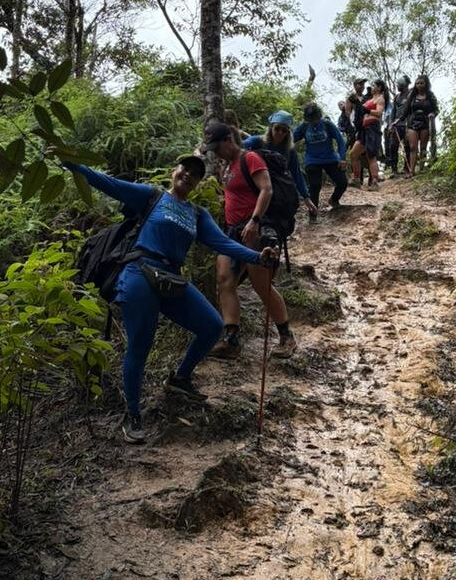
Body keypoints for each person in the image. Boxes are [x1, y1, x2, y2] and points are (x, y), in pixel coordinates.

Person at [53, 151, 278, 444]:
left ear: (198, 182)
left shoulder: (197, 214)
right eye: (185, 169)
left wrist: (256, 257)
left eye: (195, 174)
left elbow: (222, 243)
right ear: (175, 171)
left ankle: (180, 379)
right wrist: (70, 161)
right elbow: (106, 182)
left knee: (211, 325)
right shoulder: (151, 197)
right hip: (139, 273)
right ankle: (132, 415)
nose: (188, 175)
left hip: (171, 277)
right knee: (140, 345)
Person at [204, 123, 298, 361]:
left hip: (254, 230)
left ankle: (286, 337)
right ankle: (231, 339)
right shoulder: (227, 167)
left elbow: (266, 189)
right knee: (225, 279)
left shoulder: (251, 158)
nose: (216, 152)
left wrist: (254, 221)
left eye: (217, 147)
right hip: (232, 232)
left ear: (228, 140)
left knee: (261, 285)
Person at [244, 110, 317, 221]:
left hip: (278, 190)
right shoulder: (257, 142)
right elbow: (239, 149)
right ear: (271, 128)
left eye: (284, 130)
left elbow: (296, 173)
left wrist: (306, 198)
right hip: (257, 187)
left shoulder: (289, 150)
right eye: (277, 128)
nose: (280, 133)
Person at [293, 102, 348, 212]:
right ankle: (313, 214)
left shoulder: (327, 125)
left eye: (314, 119)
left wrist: (342, 158)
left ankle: (334, 200)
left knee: (342, 182)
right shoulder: (304, 127)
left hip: (330, 158)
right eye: (310, 119)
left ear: (319, 116)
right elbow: (290, 140)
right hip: (312, 160)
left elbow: (340, 140)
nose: (313, 122)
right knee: (315, 185)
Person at [350, 79, 388, 188]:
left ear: (379, 88)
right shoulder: (368, 100)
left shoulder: (380, 99)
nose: (371, 87)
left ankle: (375, 181)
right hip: (363, 129)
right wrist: (356, 102)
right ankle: (356, 179)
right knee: (353, 154)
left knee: (371, 155)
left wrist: (367, 111)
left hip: (373, 128)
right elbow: (360, 110)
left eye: (374, 85)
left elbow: (379, 113)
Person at [400, 74, 439, 176]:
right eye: (417, 83)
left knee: (423, 147)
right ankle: (411, 171)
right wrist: (398, 121)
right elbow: (406, 111)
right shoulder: (411, 96)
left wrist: (432, 114)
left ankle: (421, 169)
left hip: (425, 122)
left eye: (421, 83)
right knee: (413, 147)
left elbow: (436, 109)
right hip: (413, 122)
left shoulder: (430, 96)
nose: (419, 85)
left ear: (426, 84)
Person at [386, 75, 411, 177]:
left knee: (408, 146)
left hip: (407, 125)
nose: (397, 86)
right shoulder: (397, 97)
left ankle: (407, 168)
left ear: (404, 85)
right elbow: (393, 111)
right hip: (396, 126)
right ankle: (394, 170)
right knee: (392, 146)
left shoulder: (410, 95)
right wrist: (391, 124)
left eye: (399, 85)